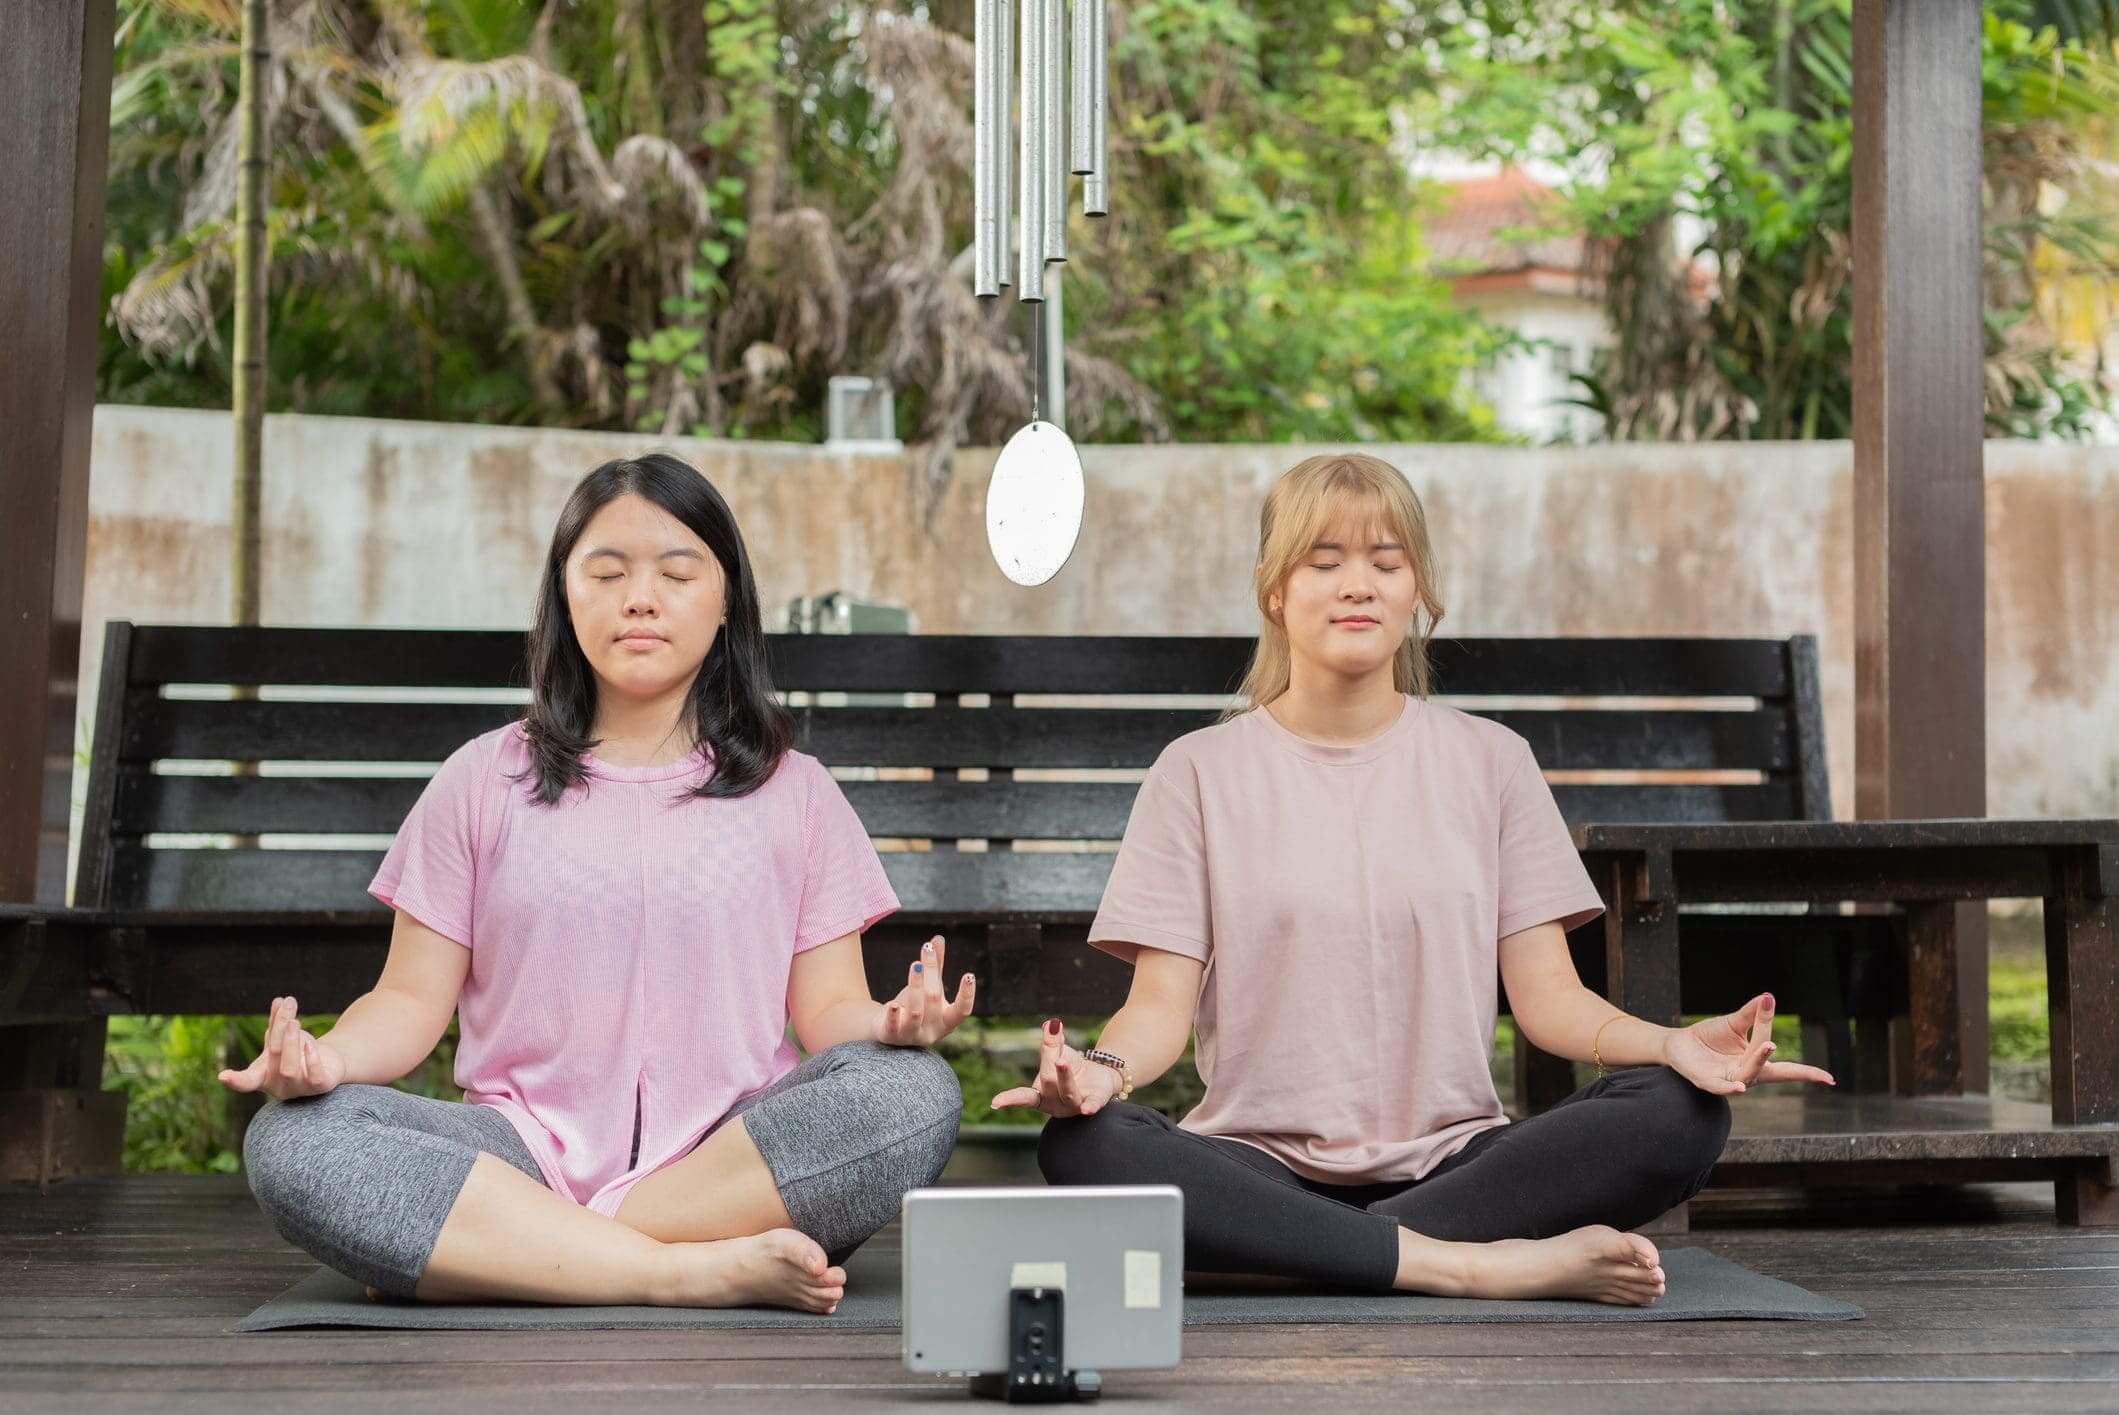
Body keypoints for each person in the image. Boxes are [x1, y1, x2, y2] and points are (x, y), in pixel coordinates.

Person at [1007, 451, 1834, 1306]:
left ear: (1417, 591)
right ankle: (1469, 1265)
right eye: (1323, 562)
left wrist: (1669, 1044)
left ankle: (1286, 1255)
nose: (1356, 585)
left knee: (1682, 1112)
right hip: (1254, 1162)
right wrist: (1100, 1069)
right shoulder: (1195, 772)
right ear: (1273, 591)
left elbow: (1549, 1000)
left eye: (1385, 562)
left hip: (1458, 1162)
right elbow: (1157, 1009)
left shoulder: (1493, 761)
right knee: (1084, 1145)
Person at [222, 453, 972, 1312]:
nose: (640, 598)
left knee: (913, 1093)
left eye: (676, 572)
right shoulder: (480, 779)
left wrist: (886, 1025)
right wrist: (329, 1060)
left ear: (726, 598)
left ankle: (522, 1249)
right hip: (519, 1152)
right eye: (607, 573)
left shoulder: (795, 791)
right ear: (565, 594)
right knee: (294, 1139)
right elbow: (406, 1002)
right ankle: (677, 1270)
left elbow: (827, 1010)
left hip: (729, 1160)